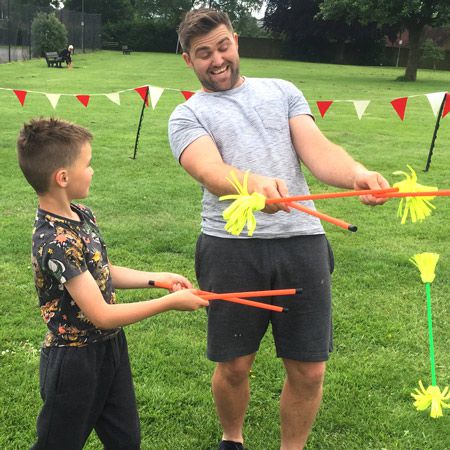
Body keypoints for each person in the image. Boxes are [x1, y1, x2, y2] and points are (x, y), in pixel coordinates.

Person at [168, 8, 390, 450]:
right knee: (234, 365)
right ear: (187, 60)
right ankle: (233, 439)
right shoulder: (186, 116)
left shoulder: (282, 92)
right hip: (231, 248)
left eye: (223, 46)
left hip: (302, 244)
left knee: (309, 368)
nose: (217, 60)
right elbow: (209, 170)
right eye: (203, 53)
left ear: (236, 40)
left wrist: (357, 175)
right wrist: (252, 185)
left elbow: (319, 150)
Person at [17, 117, 209, 450]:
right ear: (62, 177)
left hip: (110, 350)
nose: (92, 171)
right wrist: (170, 303)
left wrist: (156, 280)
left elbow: (102, 270)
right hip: (74, 363)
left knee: (125, 441)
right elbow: (101, 314)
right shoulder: (54, 241)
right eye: (87, 165)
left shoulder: (81, 214)